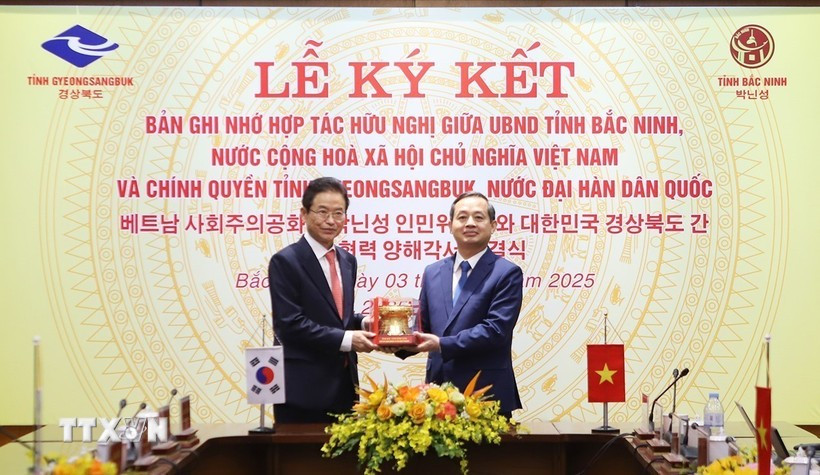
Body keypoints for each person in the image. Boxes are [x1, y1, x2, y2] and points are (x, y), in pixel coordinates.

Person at [268, 177, 377, 423]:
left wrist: (363, 323)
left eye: (338, 213)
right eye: (322, 212)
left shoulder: (347, 260)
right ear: (304, 214)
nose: (331, 221)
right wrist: (348, 339)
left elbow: (336, 317)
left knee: (345, 461)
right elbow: (290, 324)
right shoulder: (286, 261)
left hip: (346, 387)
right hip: (303, 391)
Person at [408, 191, 523, 416]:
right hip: (437, 394)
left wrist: (441, 344)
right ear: (450, 225)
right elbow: (424, 326)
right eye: (462, 217)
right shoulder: (433, 272)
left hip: (486, 393)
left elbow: (495, 330)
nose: (470, 223)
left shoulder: (506, 273)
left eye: (478, 217)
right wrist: (399, 339)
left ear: (493, 225)